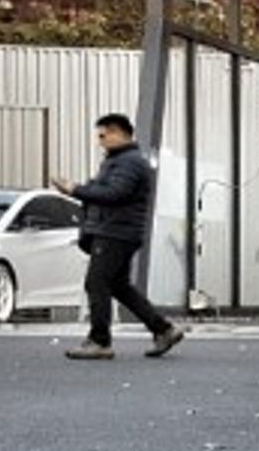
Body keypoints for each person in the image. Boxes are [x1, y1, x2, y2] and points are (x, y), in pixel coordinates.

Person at [52, 113, 182, 362]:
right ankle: (163, 329)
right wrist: (81, 189)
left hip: (115, 232)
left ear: (123, 134)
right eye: (100, 134)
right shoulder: (118, 161)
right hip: (117, 231)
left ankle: (100, 341)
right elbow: (106, 191)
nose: (101, 138)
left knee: (96, 283)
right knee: (118, 286)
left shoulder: (129, 162)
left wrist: (75, 189)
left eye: (107, 132)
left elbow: (115, 194)